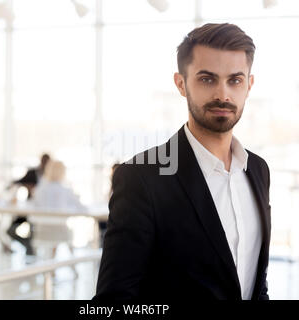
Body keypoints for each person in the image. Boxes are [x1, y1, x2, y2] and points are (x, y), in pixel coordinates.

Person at [94, 23, 271, 301]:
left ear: (248, 85)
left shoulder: (258, 170)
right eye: (207, 79)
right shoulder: (141, 177)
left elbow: (254, 284)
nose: (223, 94)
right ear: (181, 84)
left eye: (234, 80)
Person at [31, 160, 86, 276]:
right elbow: (82, 208)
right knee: (65, 236)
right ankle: (73, 269)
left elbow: (33, 208)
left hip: (42, 230)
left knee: (54, 239)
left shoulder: (40, 189)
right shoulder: (65, 190)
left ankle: (51, 270)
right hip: (60, 229)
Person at [6, 153, 50, 255]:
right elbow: (17, 182)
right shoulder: (32, 173)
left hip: (43, 213)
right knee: (10, 230)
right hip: (29, 209)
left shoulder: (50, 177)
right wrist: (27, 187)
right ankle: (28, 247)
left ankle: (31, 252)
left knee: (34, 232)